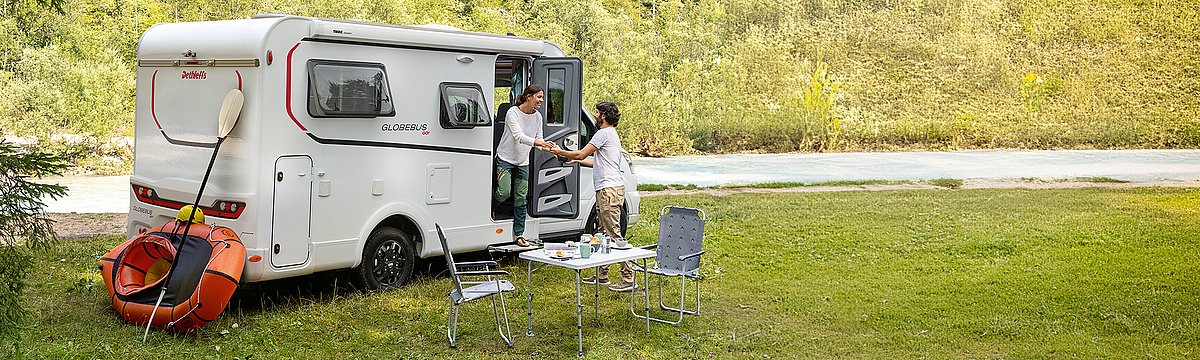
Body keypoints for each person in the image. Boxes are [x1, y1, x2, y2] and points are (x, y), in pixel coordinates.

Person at [550, 102, 634, 292]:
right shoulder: (610, 134)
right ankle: (602, 274)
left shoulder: (603, 133)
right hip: (607, 189)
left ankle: (628, 277)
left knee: (614, 234)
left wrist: (560, 151)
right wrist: (571, 159)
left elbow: (580, 153)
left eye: (597, 112)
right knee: (604, 233)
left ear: (603, 115)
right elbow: (598, 162)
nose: (595, 115)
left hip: (609, 190)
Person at [496, 84, 556, 247]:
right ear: (528, 97)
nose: (541, 101)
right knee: (504, 192)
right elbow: (518, 136)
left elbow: (539, 138)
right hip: (505, 157)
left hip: (523, 160)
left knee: (521, 197)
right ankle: (493, 209)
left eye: (542, 97)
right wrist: (539, 142)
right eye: (539, 97)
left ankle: (519, 235)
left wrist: (550, 147)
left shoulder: (537, 117)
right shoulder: (512, 113)